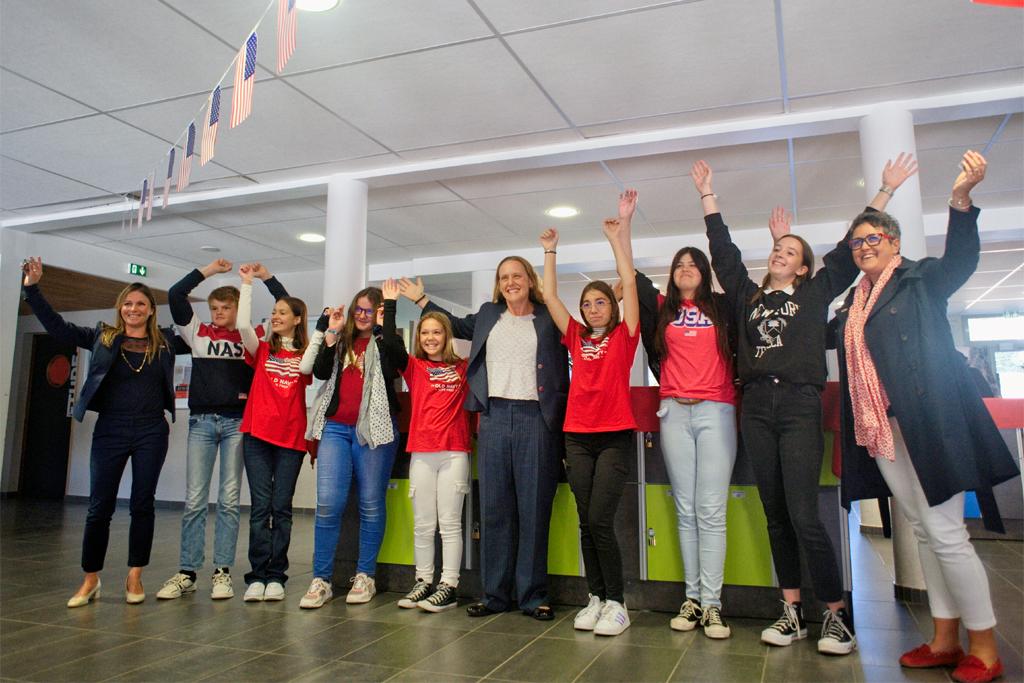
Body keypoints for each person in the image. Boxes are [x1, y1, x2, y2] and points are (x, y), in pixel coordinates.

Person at [694, 154, 917, 655]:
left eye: (790, 249)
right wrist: (708, 195)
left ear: (803, 265)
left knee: (803, 514)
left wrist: (884, 191)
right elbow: (724, 254)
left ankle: (836, 616)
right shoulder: (747, 298)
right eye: (777, 247)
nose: (780, 252)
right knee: (774, 513)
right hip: (754, 404)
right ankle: (792, 610)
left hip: (798, 404)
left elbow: (845, 252)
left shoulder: (816, 294)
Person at [835, 150, 1017, 683]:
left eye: (875, 239)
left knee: (946, 532)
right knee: (921, 529)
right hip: (882, 428)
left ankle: (983, 645)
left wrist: (961, 201)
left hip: (930, 423)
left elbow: (962, 260)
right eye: (858, 241)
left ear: (893, 243)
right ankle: (943, 636)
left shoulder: (920, 280)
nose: (865, 247)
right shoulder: (854, 303)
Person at [399, 255, 569, 621]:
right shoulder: (489, 315)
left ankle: (532, 595)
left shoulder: (547, 317)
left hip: (536, 418)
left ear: (529, 279)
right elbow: (456, 325)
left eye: (517, 275)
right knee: (494, 511)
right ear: (498, 283)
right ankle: (494, 595)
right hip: (492, 417)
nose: (511, 282)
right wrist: (420, 300)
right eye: (504, 277)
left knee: (533, 511)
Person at [21, 257, 178, 607]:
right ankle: (90, 578)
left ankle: (135, 574)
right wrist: (32, 289)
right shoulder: (102, 337)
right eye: (127, 303)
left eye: (140, 304)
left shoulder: (166, 342)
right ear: (120, 307)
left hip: (152, 429)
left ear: (152, 310)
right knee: (99, 506)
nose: (133, 309)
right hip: (111, 428)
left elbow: (201, 337)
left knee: (142, 503)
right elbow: (59, 328)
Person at [539, 191, 640, 636]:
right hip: (576, 435)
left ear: (612, 307)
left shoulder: (625, 335)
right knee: (585, 517)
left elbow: (631, 282)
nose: (593, 308)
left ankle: (618, 601)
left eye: (600, 302)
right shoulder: (576, 337)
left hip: (614, 434)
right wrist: (549, 252)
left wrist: (618, 237)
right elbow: (548, 294)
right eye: (587, 303)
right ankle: (595, 597)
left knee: (600, 518)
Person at [157, 259, 288, 601]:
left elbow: (285, 307)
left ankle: (222, 572)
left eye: (225, 308)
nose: (217, 313)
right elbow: (175, 294)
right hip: (201, 422)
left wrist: (265, 278)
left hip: (236, 424)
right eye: (214, 307)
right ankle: (187, 571)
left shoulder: (254, 336)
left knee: (229, 501)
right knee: (195, 500)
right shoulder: (197, 332)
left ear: (237, 309)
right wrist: (209, 270)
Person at [635, 245, 738, 637]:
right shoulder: (664, 310)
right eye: (679, 264)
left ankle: (712, 604)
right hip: (673, 411)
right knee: (686, 509)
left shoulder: (723, 308)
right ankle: (692, 599)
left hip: (716, 409)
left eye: (694, 264)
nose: (686, 269)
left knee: (710, 510)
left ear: (705, 272)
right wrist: (622, 233)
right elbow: (633, 278)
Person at [299, 287, 402, 609]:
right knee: (329, 503)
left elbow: (395, 364)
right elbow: (317, 372)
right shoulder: (341, 340)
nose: (361, 315)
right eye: (359, 309)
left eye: (369, 311)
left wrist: (387, 323)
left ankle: (365, 575)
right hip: (335, 429)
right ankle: (321, 579)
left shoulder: (385, 341)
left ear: (379, 315)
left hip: (373, 430)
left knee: (371, 503)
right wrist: (330, 332)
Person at [382, 279, 472, 613]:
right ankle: (423, 581)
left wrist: (423, 300)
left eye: (437, 332)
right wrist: (391, 305)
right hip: (422, 452)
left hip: (453, 452)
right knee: (423, 523)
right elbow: (390, 345)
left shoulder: (462, 368)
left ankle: (448, 585)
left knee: (449, 523)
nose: (431, 338)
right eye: (424, 333)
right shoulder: (415, 368)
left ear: (447, 337)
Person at [235, 265, 317, 603]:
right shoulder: (262, 350)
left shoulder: (304, 353)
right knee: (260, 507)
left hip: (290, 440)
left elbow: (308, 367)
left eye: (283, 312)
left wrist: (320, 329)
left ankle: (276, 576)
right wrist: (247, 284)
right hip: (257, 436)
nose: (275, 316)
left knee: (281, 508)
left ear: (298, 319)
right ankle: (257, 575)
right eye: (273, 312)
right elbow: (242, 325)